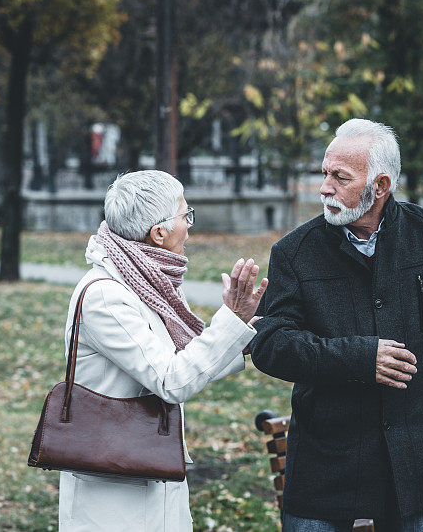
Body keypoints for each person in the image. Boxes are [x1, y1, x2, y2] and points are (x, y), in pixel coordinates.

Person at [249, 118, 423, 532]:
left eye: (340, 177)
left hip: (415, 460)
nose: (325, 187)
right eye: (324, 173)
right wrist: (360, 357)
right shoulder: (294, 252)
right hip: (327, 463)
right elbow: (270, 343)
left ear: (380, 186)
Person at [58, 170, 267, 532]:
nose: (189, 226)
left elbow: (182, 362)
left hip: (151, 473)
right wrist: (230, 321)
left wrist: (243, 336)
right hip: (113, 495)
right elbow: (173, 380)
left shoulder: (149, 284)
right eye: (185, 216)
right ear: (159, 233)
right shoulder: (107, 295)